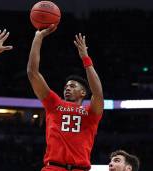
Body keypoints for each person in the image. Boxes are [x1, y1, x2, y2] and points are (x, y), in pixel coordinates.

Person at [27, 24, 104, 171]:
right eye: (66, 86)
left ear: (83, 93)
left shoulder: (91, 112)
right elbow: (32, 73)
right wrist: (38, 38)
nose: (68, 88)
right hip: (53, 168)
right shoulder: (54, 104)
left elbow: (98, 94)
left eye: (73, 86)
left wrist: (85, 58)